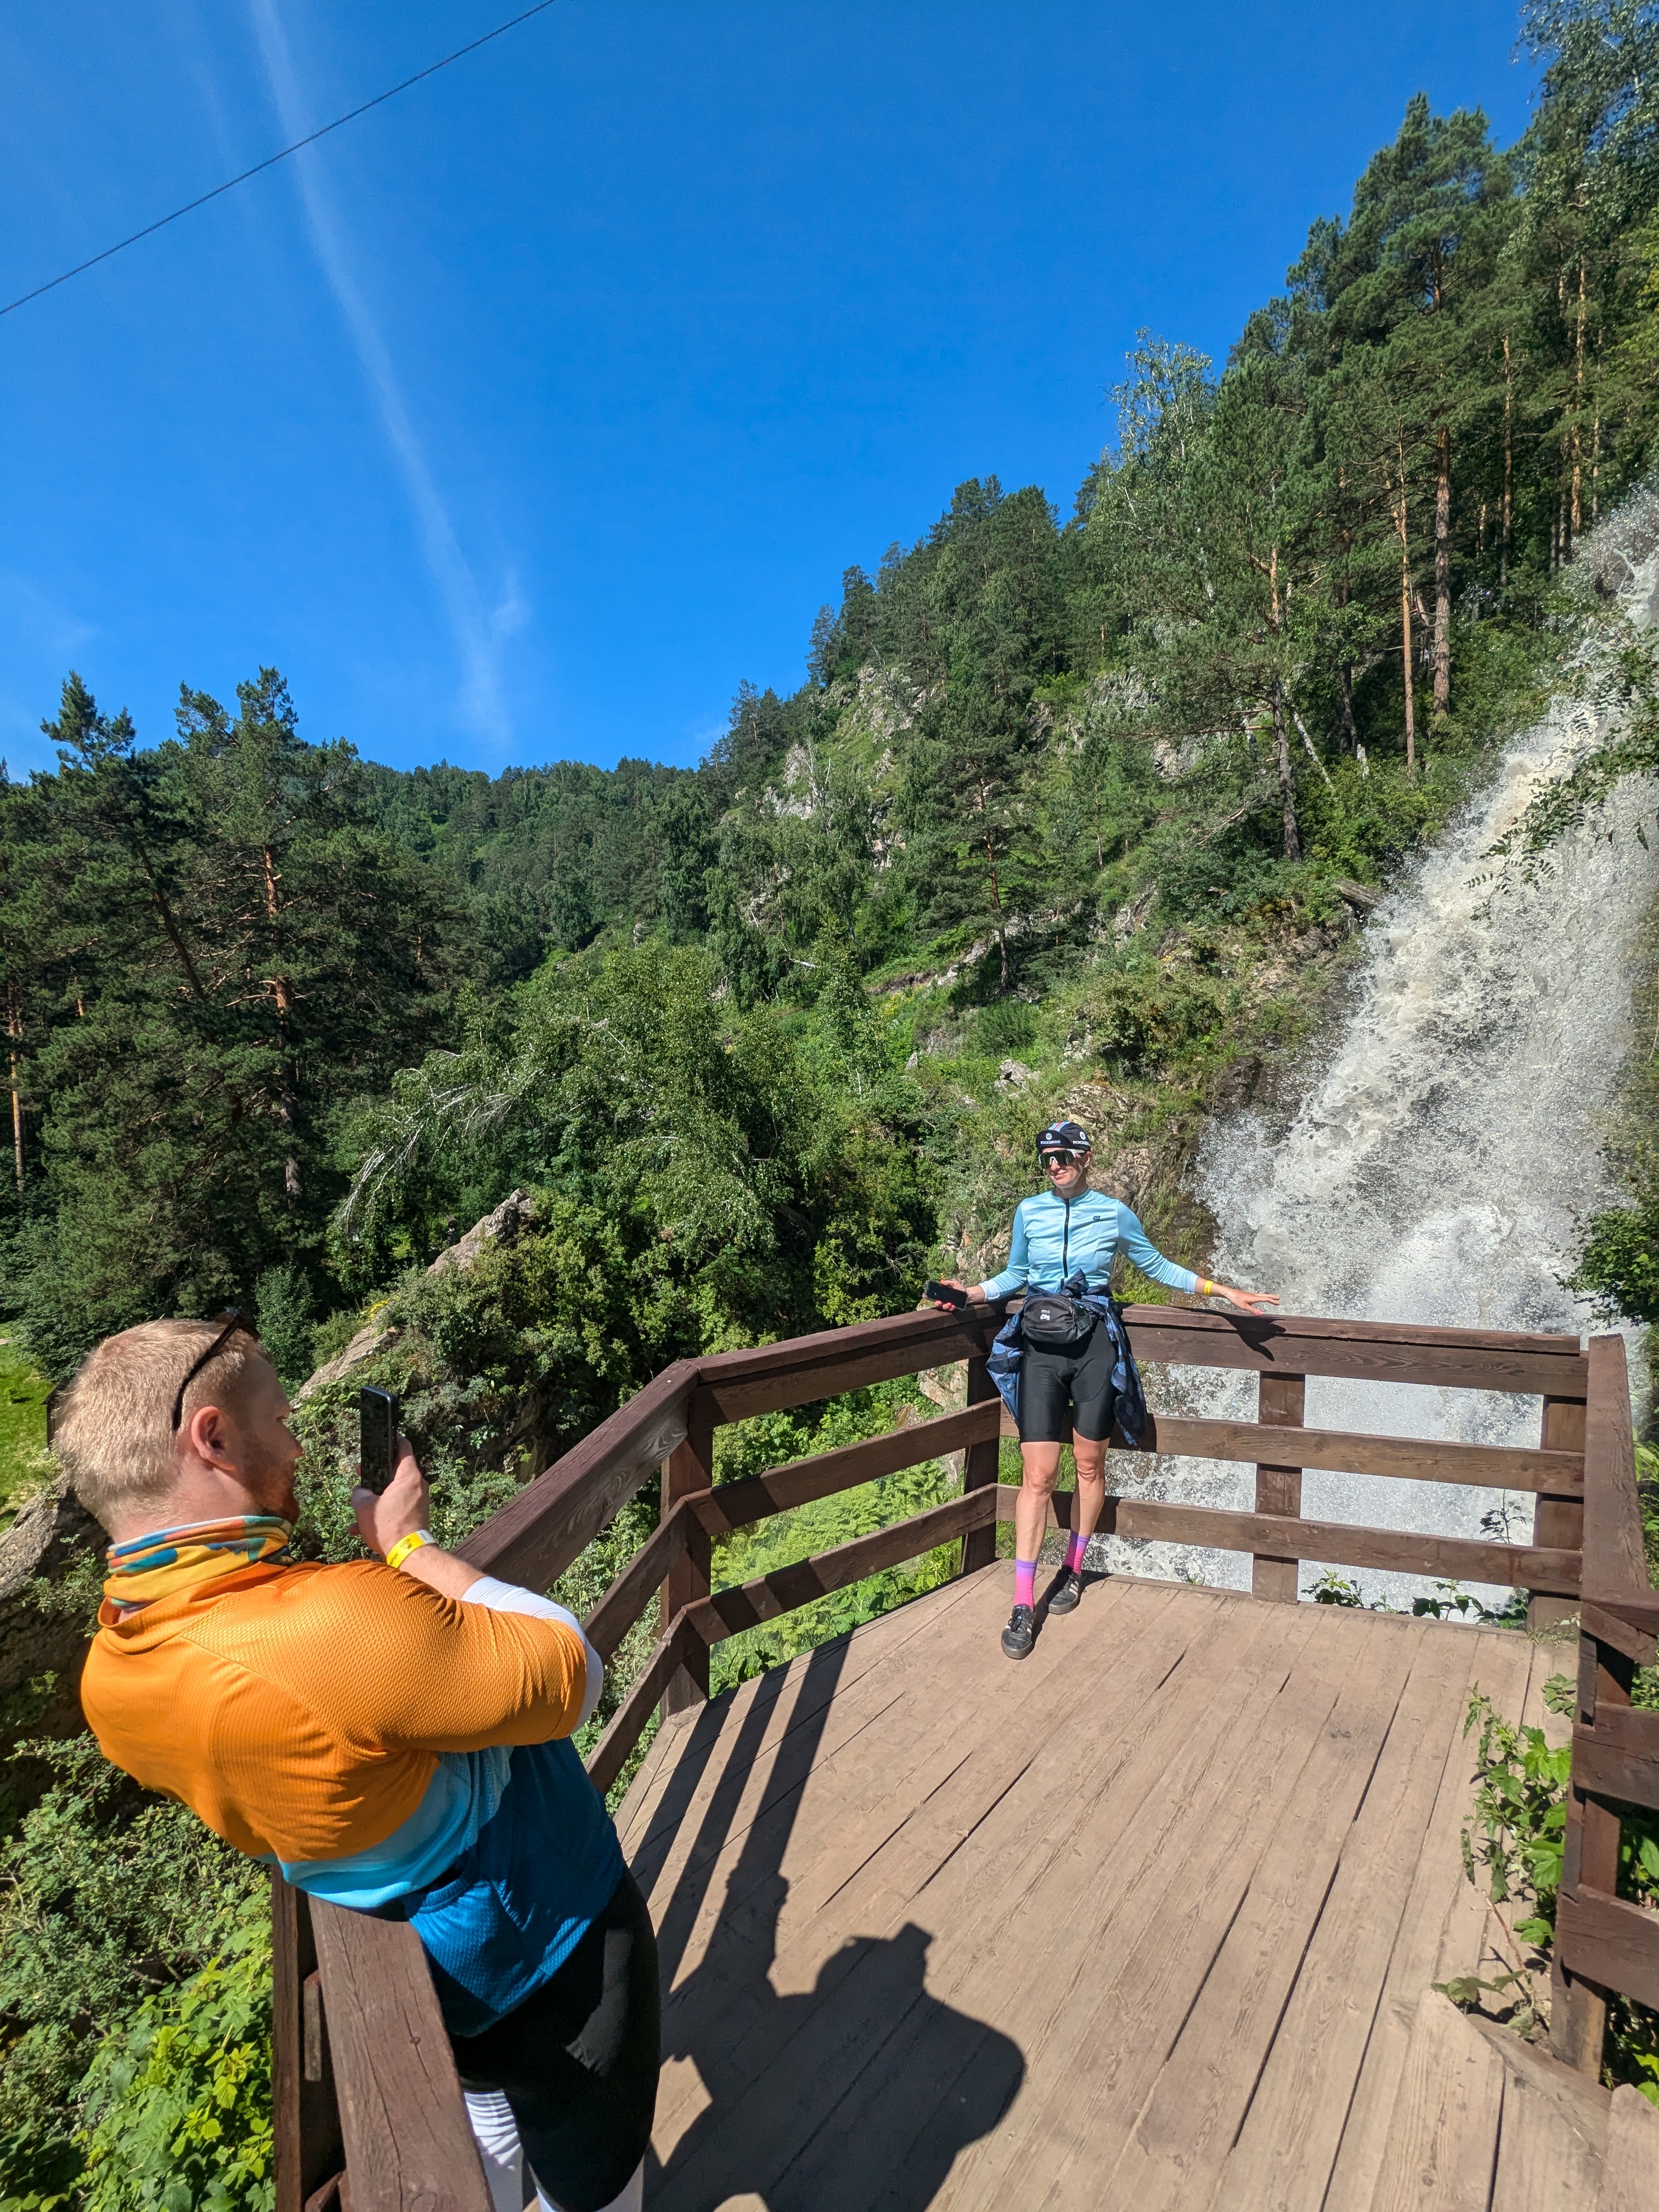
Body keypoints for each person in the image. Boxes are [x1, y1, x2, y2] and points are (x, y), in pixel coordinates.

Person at [60, 1313, 656, 2212]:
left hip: (433, 1977)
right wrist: (409, 1549)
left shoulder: (110, 1678)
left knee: (488, 2117)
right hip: (553, 1948)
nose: (296, 1443)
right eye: (279, 1415)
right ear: (211, 1437)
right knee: (598, 2187)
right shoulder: (332, 1621)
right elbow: (574, 1671)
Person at [936, 1119, 1278, 1661]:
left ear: (1087, 1157)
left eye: (1064, 1154)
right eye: (1047, 1156)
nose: (1054, 1164)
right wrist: (967, 1294)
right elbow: (1015, 1275)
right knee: (1038, 1475)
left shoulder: (1114, 1213)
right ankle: (1023, 1602)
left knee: (1090, 1466)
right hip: (1042, 1348)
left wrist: (1222, 1291)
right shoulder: (1031, 1212)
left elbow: (1155, 1264)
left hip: (1095, 1345)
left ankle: (1074, 1568)